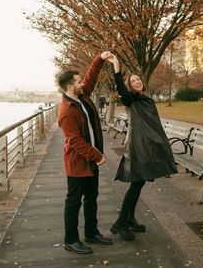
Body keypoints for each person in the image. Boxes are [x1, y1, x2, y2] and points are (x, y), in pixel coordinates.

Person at [107, 53, 178, 240]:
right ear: (129, 86)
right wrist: (116, 65)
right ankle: (120, 223)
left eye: (138, 79)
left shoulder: (145, 99)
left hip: (147, 146)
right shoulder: (132, 99)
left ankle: (129, 219)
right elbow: (121, 89)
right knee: (136, 184)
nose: (137, 82)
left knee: (138, 184)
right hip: (139, 147)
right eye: (133, 81)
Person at [57, 51, 113, 255]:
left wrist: (99, 59)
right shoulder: (66, 111)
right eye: (78, 82)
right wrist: (97, 156)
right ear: (70, 86)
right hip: (78, 164)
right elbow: (76, 142)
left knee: (92, 198)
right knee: (73, 202)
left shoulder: (82, 96)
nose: (82, 83)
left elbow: (91, 77)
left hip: (91, 161)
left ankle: (91, 232)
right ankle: (70, 240)